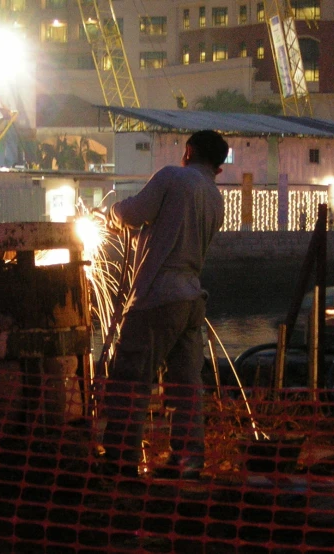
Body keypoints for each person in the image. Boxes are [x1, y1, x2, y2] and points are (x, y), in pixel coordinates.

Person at [99, 130, 229, 480]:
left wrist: (110, 213)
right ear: (218, 165)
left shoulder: (173, 177)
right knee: (186, 385)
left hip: (158, 296)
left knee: (132, 378)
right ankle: (188, 460)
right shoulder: (215, 198)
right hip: (191, 299)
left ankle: (120, 459)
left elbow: (135, 212)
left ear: (188, 151)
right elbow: (167, 228)